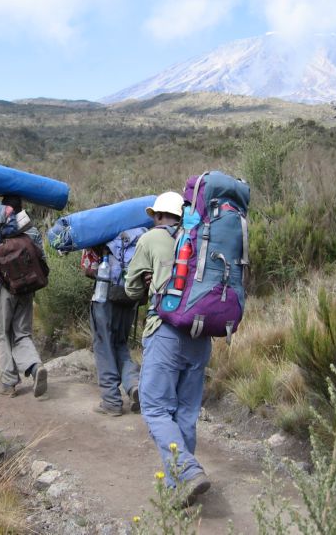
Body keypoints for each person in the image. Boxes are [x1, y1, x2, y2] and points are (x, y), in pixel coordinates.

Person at [124, 191, 212, 506]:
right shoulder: (203, 238)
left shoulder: (150, 240)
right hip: (201, 335)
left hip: (165, 334)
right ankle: (180, 488)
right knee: (186, 412)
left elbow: (131, 287)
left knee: (156, 408)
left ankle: (186, 470)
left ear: (158, 215)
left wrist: (148, 281)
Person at [82, 230, 144, 417]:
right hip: (129, 298)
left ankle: (111, 401)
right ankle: (133, 385)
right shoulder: (133, 236)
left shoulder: (97, 236)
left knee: (104, 346)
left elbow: (88, 268)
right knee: (121, 344)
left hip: (105, 298)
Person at [0, 196, 48, 399]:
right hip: (27, 288)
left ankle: (8, 382)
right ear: (21, 208)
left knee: (3, 334)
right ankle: (35, 367)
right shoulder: (31, 230)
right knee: (22, 333)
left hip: (4, 288)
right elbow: (42, 258)